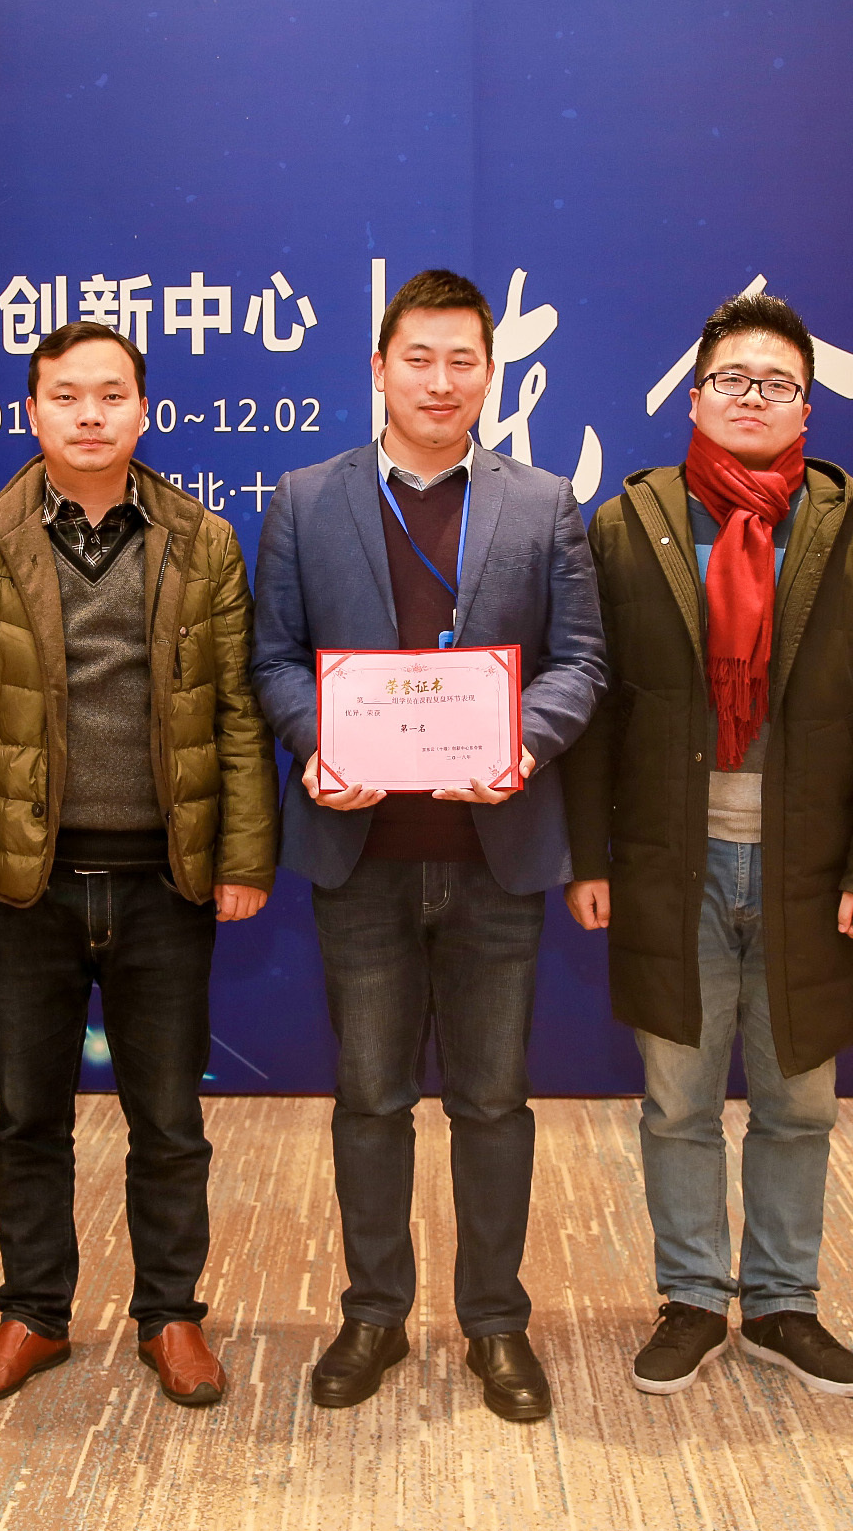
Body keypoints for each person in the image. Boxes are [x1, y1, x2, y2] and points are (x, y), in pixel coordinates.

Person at [251, 269, 606, 1423]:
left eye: (463, 361)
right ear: (379, 369)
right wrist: (319, 743)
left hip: (496, 854)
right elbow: (272, 659)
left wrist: (521, 744)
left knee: (493, 1103)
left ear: (489, 375)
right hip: (360, 856)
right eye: (419, 359)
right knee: (370, 1098)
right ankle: (373, 1313)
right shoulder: (307, 500)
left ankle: (495, 1322)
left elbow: (581, 663)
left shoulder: (543, 503)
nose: (440, 381)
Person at [563, 292, 853, 1402]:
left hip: (810, 872)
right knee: (676, 1101)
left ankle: (780, 1303)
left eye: (777, 384)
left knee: (799, 1103)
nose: (753, 398)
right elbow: (594, 706)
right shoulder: (628, 527)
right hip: (670, 864)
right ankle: (689, 1297)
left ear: (807, 405)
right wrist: (589, 857)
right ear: (695, 395)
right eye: (732, 379)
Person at [0, 321, 277, 1409]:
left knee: (169, 1119)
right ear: (32, 411)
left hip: (167, 880)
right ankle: (33, 1313)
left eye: (111, 395)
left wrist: (243, 854)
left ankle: (171, 1315)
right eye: (66, 396)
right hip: (27, 882)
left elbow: (239, 712)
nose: (89, 415)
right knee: (28, 1116)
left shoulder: (203, 540)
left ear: (143, 411)